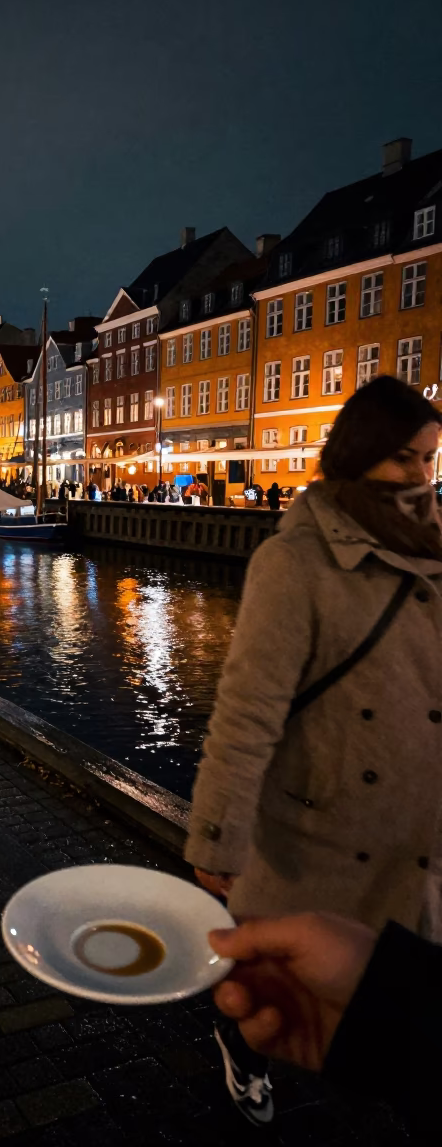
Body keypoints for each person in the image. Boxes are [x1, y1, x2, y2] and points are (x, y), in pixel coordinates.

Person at [186, 376, 442, 1125]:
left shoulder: (434, 548)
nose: (422, 477)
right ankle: (244, 1053)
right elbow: (248, 709)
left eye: (429, 458)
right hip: (318, 828)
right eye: (404, 459)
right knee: (274, 987)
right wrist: (217, 835)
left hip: (414, 826)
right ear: (359, 454)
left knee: (386, 999)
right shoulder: (295, 561)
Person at [208, 913, 440, 1142]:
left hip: (389, 925)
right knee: (252, 991)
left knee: (259, 1004)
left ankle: (240, 1047)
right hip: (287, 912)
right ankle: (243, 1055)